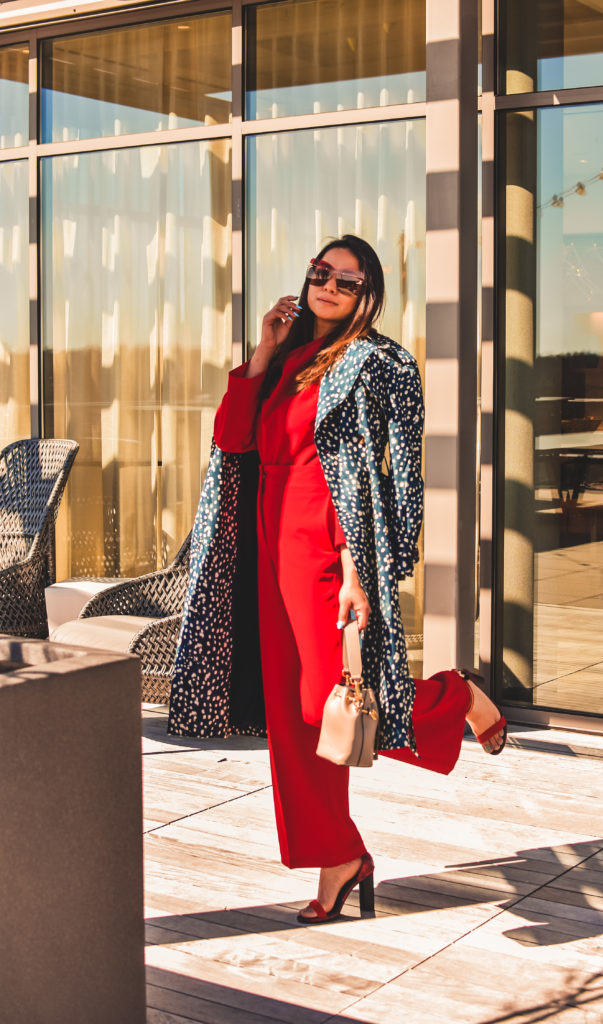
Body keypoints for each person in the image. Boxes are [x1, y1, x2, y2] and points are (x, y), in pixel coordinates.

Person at [169, 234, 506, 925]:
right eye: (320, 273)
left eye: (346, 281)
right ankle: (338, 855)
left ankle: (451, 698)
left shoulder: (378, 362)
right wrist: (263, 349)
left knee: (339, 701)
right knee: (296, 716)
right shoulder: (289, 356)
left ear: (368, 295)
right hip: (266, 539)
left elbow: (384, 476)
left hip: (326, 541)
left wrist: (360, 572)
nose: (328, 286)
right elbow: (232, 439)